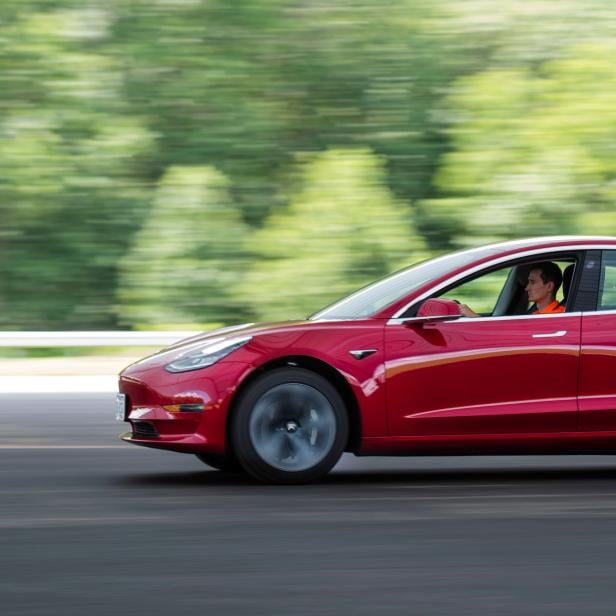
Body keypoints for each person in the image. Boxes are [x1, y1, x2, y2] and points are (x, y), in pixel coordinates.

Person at [459, 261, 565, 317]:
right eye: (528, 282)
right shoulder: (536, 313)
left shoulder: (556, 316)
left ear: (549, 287)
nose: (527, 288)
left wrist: (475, 318)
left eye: (532, 282)